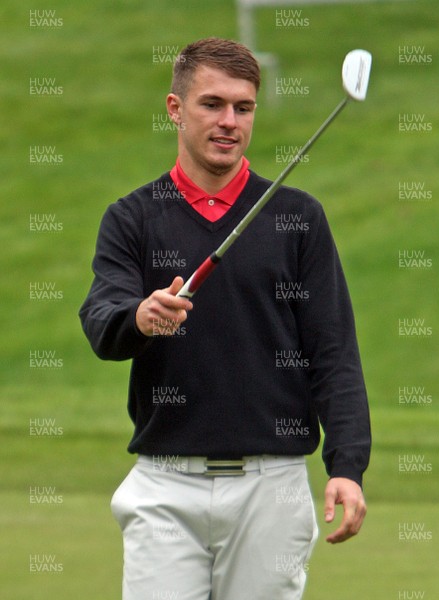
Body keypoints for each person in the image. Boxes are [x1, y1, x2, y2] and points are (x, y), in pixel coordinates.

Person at [79, 37, 371, 600]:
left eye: (244, 107)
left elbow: (332, 351)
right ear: (175, 109)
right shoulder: (131, 218)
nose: (229, 121)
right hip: (165, 485)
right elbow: (102, 319)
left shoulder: (298, 217)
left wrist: (347, 464)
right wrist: (139, 316)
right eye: (211, 104)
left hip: (273, 487)